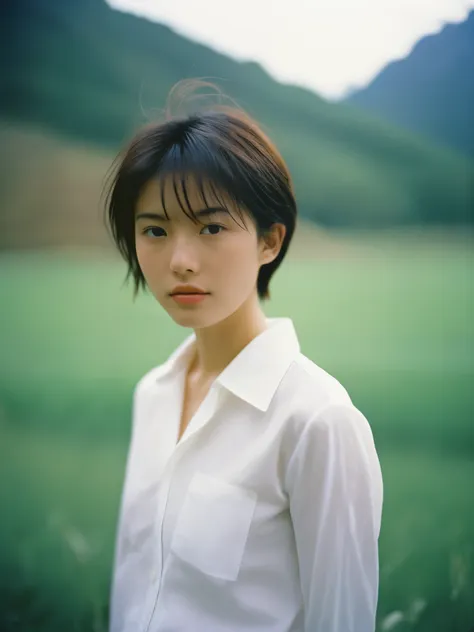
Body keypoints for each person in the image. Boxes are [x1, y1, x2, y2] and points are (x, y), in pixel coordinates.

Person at [105, 81, 383, 632]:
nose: (180, 260)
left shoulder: (316, 421)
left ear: (269, 241)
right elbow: (132, 589)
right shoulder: (153, 394)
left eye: (211, 227)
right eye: (155, 230)